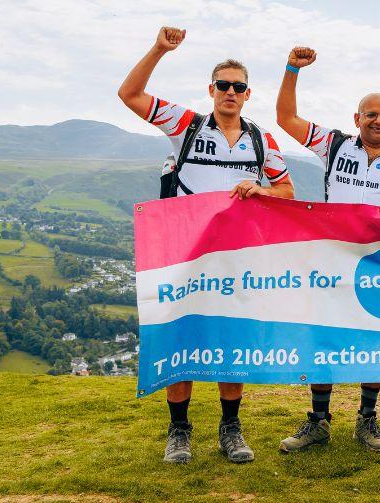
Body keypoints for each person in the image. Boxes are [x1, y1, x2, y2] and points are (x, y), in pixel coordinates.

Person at [118, 26, 294, 464]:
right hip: (184, 253)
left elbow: (287, 190)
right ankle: (179, 430)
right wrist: (159, 47)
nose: (230, 92)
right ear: (211, 90)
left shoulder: (260, 139)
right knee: (182, 337)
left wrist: (262, 191)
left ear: (247, 94)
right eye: (223, 85)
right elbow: (130, 93)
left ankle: (230, 428)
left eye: (238, 87)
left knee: (230, 339)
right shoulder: (187, 125)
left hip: (236, 257)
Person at [274, 46, 380, 453]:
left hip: (379, 266)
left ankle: (367, 420)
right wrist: (292, 69)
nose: (378, 120)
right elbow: (285, 119)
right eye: (370, 114)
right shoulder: (335, 145)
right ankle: (319, 421)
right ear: (356, 119)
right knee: (323, 338)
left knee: (374, 341)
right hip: (333, 260)